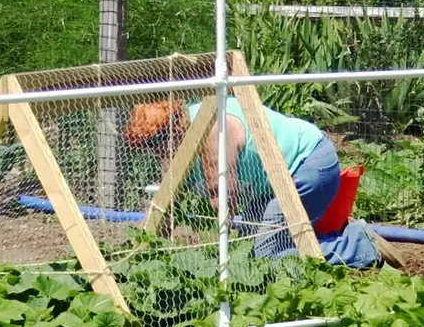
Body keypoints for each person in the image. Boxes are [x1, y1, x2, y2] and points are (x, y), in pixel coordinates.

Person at [124, 97, 379, 266]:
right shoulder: (177, 142)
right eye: (148, 146)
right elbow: (168, 197)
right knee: (247, 246)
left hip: (307, 165)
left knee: (264, 255)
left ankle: (359, 245)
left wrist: (215, 256)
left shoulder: (212, 128)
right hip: (270, 185)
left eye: (156, 143)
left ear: (175, 126)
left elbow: (222, 197)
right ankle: (325, 242)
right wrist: (149, 241)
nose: (154, 151)